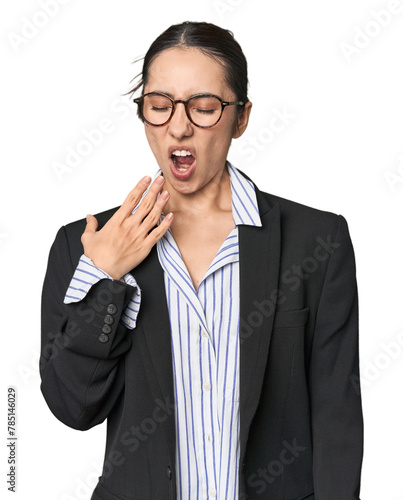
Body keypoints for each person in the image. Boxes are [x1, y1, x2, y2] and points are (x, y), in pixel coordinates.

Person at [40, 21, 363, 500]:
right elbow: (73, 406)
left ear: (242, 117)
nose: (178, 125)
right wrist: (106, 277)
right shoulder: (84, 245)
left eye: (205, 107)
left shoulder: (317, 241)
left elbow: (336, 416)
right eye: (159, 105)